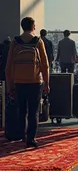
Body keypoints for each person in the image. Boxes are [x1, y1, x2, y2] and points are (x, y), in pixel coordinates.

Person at [5, 17, 50, 148]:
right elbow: (45, 65)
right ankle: (31, 138)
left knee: (21, 110)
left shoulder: (15, 42)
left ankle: (22, 135)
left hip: (19, 82)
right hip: (35, 81)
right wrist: (47, 83)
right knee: (33, 111)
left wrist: (9, 85)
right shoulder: (37, 41)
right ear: (33, 27)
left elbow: (8, 66)